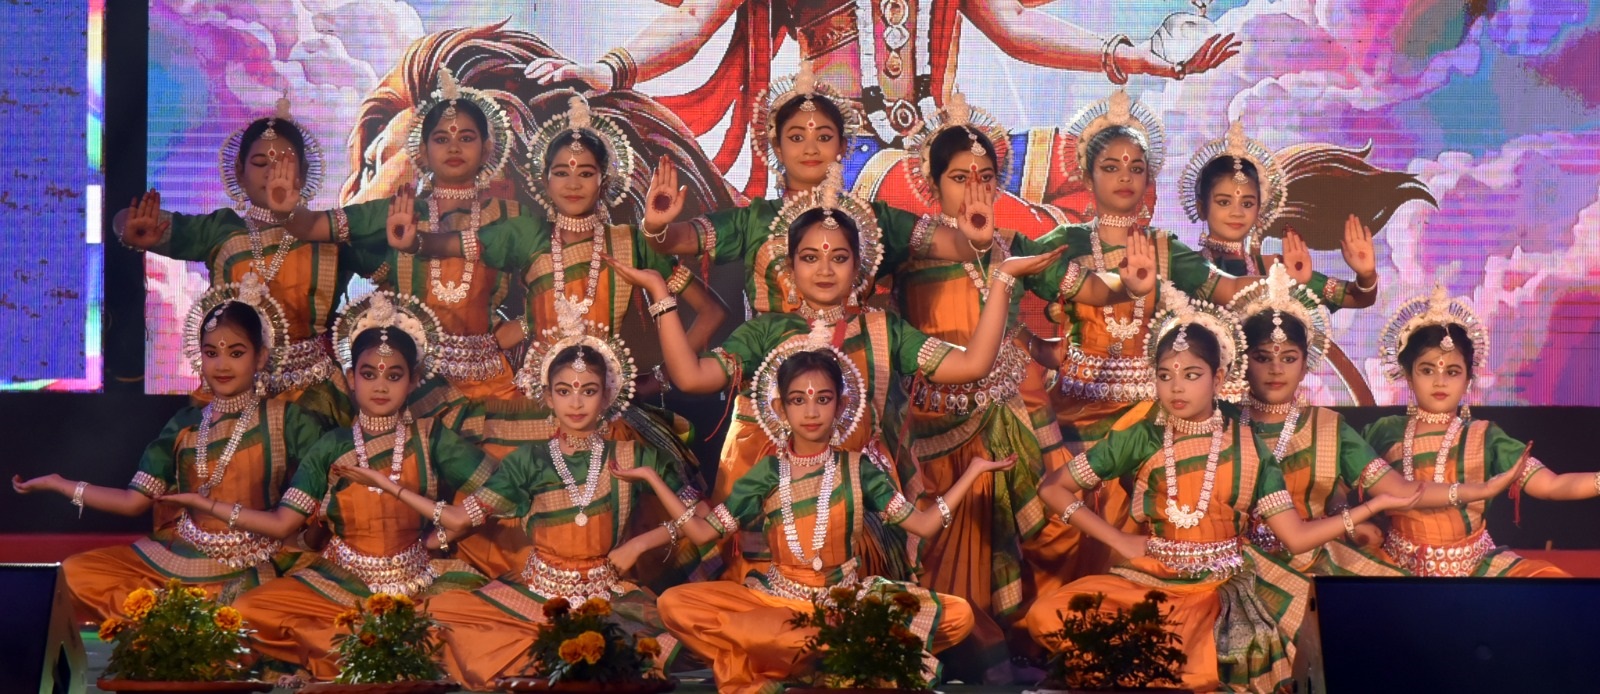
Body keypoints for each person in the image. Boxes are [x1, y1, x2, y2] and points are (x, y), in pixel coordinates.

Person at [609, 164, 1063, 581]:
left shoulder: (882, 329)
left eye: (839, 258)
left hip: (858, 506)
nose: (824, 270)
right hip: (771, 498)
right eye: (810, 258)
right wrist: (660, 297)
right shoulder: (766, 332)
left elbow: (971, 364)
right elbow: (691, 378)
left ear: (859, 264)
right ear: (790, 267)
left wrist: (1003, 280)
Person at [1026, 284, 1421, 692]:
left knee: (1221, 657)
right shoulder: (1142, 437)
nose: (1177, 388)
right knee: (1046, 615)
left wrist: (1370, 508)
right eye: (1165, 376)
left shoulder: (1249, 446)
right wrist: (1119, 540)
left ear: (1218, 378)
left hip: (1220, 587)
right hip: (1152, 577)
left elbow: (1296, 538)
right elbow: (1054, 489)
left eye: (1191, 375)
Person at [883, 93, 1154, 682]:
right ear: (932, 184)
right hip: (936, 427)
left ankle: (1039, 639)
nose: (974, 190)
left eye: (985, 177)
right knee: (945, 537)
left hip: (1017, 415)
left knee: (1052, 531)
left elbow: (1087, 286)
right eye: (959, 178)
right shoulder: (907, 244)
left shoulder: (1017, 247)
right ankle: (960, 647)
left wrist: (1126, 285)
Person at [165, 292, 493, 680]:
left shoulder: (430, 436)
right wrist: (208, 505)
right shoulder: (332, 446)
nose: (380, 386)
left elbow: (497, 489)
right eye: (368, 374)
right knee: (251, 610)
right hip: (341, 581)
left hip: (416, 578)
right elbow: (284, 523)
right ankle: (383, 650)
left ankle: (358, 651)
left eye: (394, 376)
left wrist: (441, 535)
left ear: (413, 381)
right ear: (351, 379)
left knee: (476, 618)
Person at [652, 347, 1004, 693]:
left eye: (822, 399)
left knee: (958, 615)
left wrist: (972, 472)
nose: (811, 412)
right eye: (798, 400)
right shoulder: (767, 472)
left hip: (845, 604)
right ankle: (834, 654)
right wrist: (653, 479)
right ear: (781, 408)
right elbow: (702, 534)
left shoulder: (857, 469)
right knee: (673, 604)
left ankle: (798, 655)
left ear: (841, 405)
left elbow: (924, 525)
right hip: (776, 602)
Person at [387, 321, 698, 689]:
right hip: (537, 594)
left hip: (606, 596)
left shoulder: (633, 455)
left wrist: (640, 544)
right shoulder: (529, 460)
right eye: (564, 391)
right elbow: (460, 518)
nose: (576, 403)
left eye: (588, 391)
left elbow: (698, 516)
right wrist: (390, 488)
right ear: (548, 397)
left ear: (607, 396)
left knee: (638, 650)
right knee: (444, 616)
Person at [12, 275, 324, 622]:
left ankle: (175, 621)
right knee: (74, 573)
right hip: (177, 553)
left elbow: (320, 496)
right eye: (211, 353)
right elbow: (134, 502)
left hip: (249, 561)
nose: (222, 365)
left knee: (248, 611)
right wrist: (61, 484)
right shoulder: (185, 424)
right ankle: (172, 621)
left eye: (236, 353)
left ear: (261, 356)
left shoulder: (288, 420)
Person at [281, 66, 524, 421]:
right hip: (409, 387)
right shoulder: (394, 212)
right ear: (421, 151)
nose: (453, 147)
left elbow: (553, 285)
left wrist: (516, 331)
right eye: (440, 139)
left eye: (466, 137)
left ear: (488, 148)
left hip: (491, 384)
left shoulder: (512, 218)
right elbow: (316, 227)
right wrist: (285, 201)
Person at [115, 97, 351, 426]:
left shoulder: (330, 235)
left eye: (284, 163)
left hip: (313, 395)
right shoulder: (220, 230)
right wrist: (129, 228)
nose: (272, 173)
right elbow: (130, 221)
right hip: (233, 389)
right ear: (239, 173)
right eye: (260, 162)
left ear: (304, 173)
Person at [1361, 285, 1600, 578]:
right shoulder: (1383, 431)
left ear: (1468, 380)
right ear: (1408, 375)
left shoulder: (1483, 437)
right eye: (1427, 370)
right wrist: (1354, 524)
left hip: (1477, 565)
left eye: (1452, 372)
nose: (1440, 381)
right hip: (1395, 565)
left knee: (1552, 588)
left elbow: (1551, 485)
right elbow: (1339, 489)